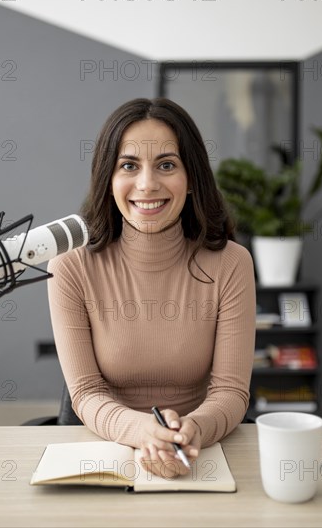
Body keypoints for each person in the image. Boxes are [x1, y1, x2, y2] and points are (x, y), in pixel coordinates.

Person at [47, 97, 256, 479]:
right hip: (106, 453)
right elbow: (86, 392)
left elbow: (231, 391)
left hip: (200, 449)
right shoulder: (70, 266)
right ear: (108, 179)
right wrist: (143, 432)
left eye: (166, 165)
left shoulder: (232, 263)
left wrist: (191, 430)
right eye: (128, 165)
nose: (147, 184)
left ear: (191, 178)